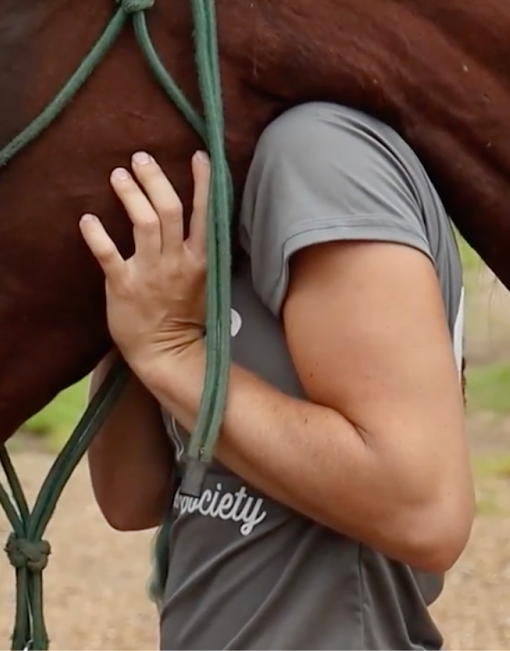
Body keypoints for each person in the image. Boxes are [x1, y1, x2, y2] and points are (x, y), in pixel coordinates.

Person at [78, 105, 476, 651]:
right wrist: (136, 320)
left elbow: (421, 511)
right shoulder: (212, 169)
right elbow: (131, 499)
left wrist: (170, 353)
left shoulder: (319, 156)